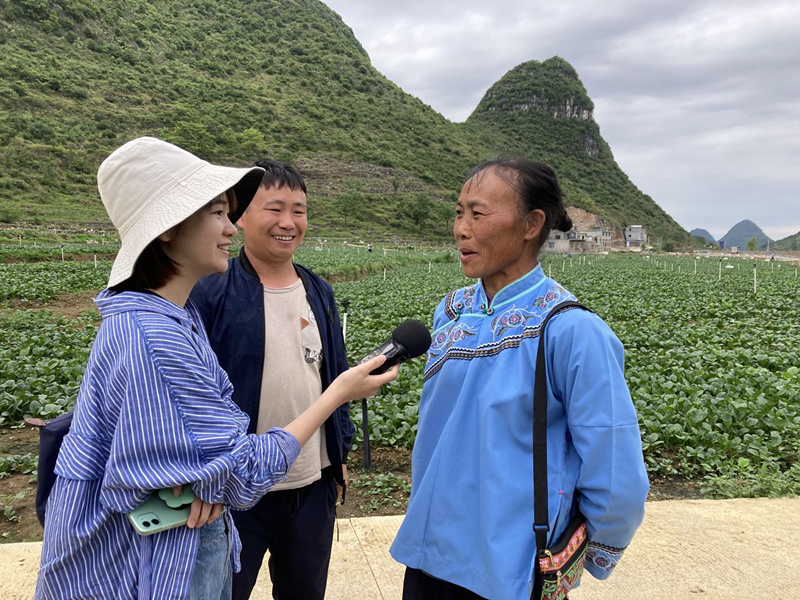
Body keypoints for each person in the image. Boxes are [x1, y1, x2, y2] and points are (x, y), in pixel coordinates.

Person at [35, 137, 397, 600]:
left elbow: (192, 436)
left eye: (299, 210)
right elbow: (237, 471)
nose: (229, 227)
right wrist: (338, 394)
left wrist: (334, 445)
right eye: (217, 213)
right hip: (181, 541)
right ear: (168, 228)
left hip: (297, 486)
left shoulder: (161, 315)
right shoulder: (163, 333)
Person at [390, 158, 649, 599]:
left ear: (532, 224)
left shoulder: (570, 330)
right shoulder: (451, 312)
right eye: (458, 212)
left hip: (511, 570)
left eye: (478, 213)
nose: (461, 229)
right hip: (429, 556)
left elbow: (615, 470)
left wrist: (587, 556)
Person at [190, 159, 352, 600]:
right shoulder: (209, 291)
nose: (288, 222)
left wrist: (338, 455)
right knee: (225, 590)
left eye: (298, 210)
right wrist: (203, 477)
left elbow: (332, 375)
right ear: (239, 216)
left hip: (310, 484)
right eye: (275, 208)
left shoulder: (318, 290)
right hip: (236, 490)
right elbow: (194, 398)